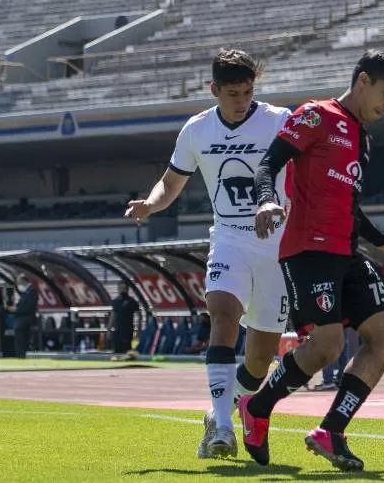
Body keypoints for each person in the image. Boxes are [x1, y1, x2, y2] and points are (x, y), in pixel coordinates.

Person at [242, 49, 384, 471]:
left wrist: (379, 240)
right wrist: (265, 202)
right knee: (327, 346)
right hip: (308, 250)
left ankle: (330, 431)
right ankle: (257, 407)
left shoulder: (362, 137)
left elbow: (348, 203)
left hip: (346, 252)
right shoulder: (315, 115)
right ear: (362, 81)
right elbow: (268, 164)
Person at [124, 48, 291, 460]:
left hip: (277, 245)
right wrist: (150, 203)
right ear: (214, 89)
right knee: (222, 315)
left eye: (248, 91)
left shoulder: (280, 122)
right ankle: (221, 427)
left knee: (259, 360)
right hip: (230, 238)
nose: (242, 101)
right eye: (233, 93)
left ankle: (220, 408)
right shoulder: (197, 130)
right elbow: (171, 182)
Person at [10, 275, 38, 358]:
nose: (19, 285)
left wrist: (16, 310)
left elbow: (29, 306)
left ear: (24, 281)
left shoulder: (32, 291)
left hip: (27, 318)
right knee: (18, 333)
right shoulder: (26, 292)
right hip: (22, 317)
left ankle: (21, 354)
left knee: (19, 331)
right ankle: (20, 354)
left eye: (19, 282)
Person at [109, 285, 140, 355]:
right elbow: (113, 315)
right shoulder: (116, 301)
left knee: (126, 348)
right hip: (117, 328)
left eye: (124, 288)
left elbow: (139, 315)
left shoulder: (131, 301)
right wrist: (109, 328)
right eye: (120, 288)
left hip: (127, 328)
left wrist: (138, 329)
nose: (122, 290)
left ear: (127, 290)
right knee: (116, 347)